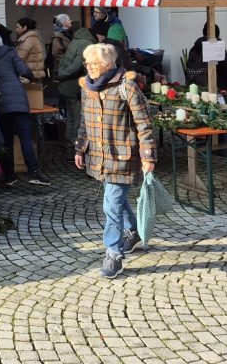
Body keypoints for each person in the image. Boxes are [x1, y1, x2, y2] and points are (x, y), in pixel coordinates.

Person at [74, 43, 156, 279]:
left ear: (108, 64)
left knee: (110, 204)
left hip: (123, 157)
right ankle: (134, 231)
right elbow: (84, 122)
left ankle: (114, 253)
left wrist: (148, 156)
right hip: (100, 157)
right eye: (87, 63)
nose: (90, 68)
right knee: (116, 200)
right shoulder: (87, 87)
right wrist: (80, 148)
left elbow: (144, 123)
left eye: (94, 64)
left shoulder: (126, 86)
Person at [0, 35, 49, 186]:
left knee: (6, 140)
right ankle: (34, 172)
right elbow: (24, 71)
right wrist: (31, 77)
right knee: (25, 137)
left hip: (0, 104)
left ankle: (9, 176)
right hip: (19, 102)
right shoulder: (11, 53)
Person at [57, 26, 97, 148]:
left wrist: (61, 74)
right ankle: (75, 148)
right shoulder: (87, 43)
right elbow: (77, 65)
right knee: (78, 121)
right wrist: (63, 74)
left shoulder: (77, 39)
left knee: (71, 118)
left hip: (67, 86)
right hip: (75, 87)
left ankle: (68, 145)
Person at [185, 24, 227, 94]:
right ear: (217, 34)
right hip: (217, 90)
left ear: (203, 32)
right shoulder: (217, 48)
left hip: (196, 89)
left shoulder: (194, 48)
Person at [14, 17, 45, 85]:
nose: (16, 29)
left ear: (25, 27)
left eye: (18, 27)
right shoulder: (33, 37)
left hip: (29, 76)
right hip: (35, 74)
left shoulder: (26, 40)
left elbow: (19, 59)